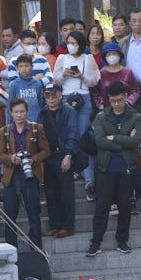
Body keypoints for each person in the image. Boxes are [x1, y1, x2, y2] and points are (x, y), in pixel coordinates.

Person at [86, 82, 141, 257]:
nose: (116, 104)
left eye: (119, 100)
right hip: (106, 168)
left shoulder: (135, 117)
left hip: (127, 167)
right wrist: (125, 140)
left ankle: (122, 241)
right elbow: (100, 141)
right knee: (102, 207)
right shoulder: (101, 117)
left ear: (126, 97)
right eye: (113, 101)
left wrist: (115, 138)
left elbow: (136, 141)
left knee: (125, 207)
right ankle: (96, 242)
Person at [0, 98, 50, 249]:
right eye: (16, 112)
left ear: (27, 112)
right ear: (11, 113)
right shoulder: (4, 131)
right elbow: (0, 155)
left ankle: (36, 250)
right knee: (9, 216)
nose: (19, 115)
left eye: (22, 111)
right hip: (11, 176)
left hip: (30, 175)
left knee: (34, 214)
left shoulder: (36, 128)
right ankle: (11, 250)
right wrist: (11, 158)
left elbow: (46, 151)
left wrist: (33, 160)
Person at [51, 30, 98, 196]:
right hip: (66, 98)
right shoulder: (62, 58)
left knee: (82, 135)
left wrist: (81, 77)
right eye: (68, 42)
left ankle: (88, 179)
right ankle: (70, 168)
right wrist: (64, 74)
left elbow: (95, 80)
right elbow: (55, 79)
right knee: (68, 134)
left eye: (74, 43)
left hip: (83, 97)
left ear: (80, 44)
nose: (71, 45)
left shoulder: (88, 58)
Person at [39, 83, 80, 238]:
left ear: (60, 95)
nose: (50, 98)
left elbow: (73, 133)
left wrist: (68, 155)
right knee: (51, 193)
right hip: (48, 156)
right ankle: (55, 225)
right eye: (47, 95)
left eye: (53, 95)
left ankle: (68, 226)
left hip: (63, 155)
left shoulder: (68, 110)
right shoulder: (43, 111)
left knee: (66, 193)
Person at [94, 41, 139, 110]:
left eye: (114, 54)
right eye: (109, 54)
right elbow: (96, 93)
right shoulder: (101, 73)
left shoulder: (127, 72)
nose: (111, 56)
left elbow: (135, 90)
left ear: (119, 55)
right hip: (107, 110)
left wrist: (128, 102)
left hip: (125, 109)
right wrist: (100, 104)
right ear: (105, 57)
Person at [7, 54, 45, 122]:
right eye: (21, 66)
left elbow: (41, 104)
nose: (24, 69)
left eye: (26, 66)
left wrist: (41, 122)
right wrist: (9, 124)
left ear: (32, 67)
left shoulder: (37, 84)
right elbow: (10, 105)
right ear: (17, 68)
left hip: (35, 121)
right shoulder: (14, 85)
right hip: (19, 122)